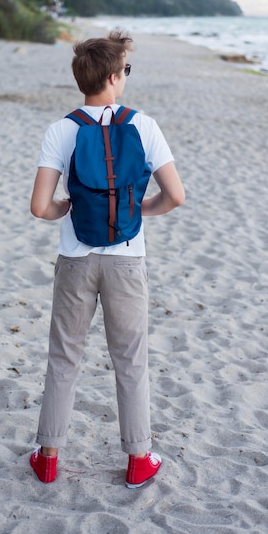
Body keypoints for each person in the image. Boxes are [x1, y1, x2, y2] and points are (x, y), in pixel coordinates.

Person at [30, 30, 185, 488]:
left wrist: (68, 208)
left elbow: (40, 206)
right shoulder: (143, 126)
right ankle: (139, 460)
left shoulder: (62, 129)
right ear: (115, 77)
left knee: (64, 357)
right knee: (130, 359)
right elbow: (175, 196)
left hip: (76, 258)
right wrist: (140, 213)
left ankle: (49, 457)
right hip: (126, 259)